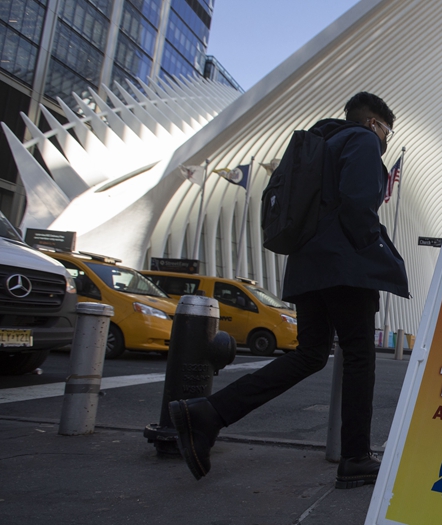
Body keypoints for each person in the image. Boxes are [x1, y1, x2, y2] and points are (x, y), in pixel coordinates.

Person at [168, 92, 409, 489]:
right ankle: (355, 457)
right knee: (359, 356)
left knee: (310, 354)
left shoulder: (318, 143)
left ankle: (208, 413)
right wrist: (375, 252)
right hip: (345, 266)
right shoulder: (363, 140)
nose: (385, 139)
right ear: (373, 123)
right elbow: (357, 204)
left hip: (306, 266)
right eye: (387, 131)